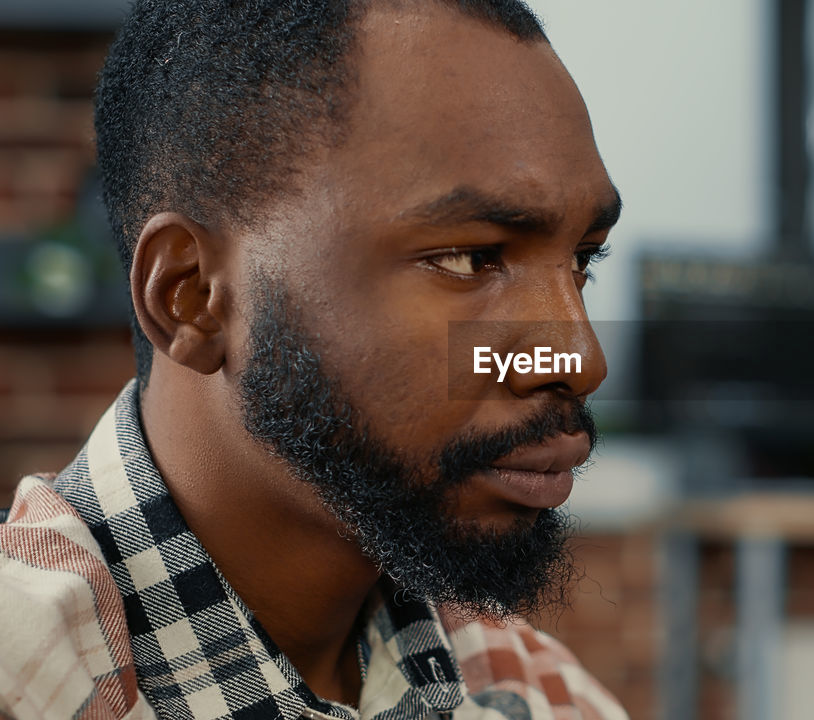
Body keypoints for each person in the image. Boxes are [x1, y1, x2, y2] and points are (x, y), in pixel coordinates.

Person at [0, 1, 628, 718]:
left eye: (584, 260)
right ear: (192, 297)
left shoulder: (535, 693)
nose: (580, 357)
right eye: (468, 259)